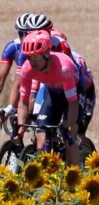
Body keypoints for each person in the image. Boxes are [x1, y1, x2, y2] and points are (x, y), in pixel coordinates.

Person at [15, 30, 83, 164]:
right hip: (52, 94)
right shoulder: (27, 68)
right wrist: (20, 127)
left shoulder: (63, 68)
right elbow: (23, 101)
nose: (31, 62)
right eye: (28, 57)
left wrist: (69, 126)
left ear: (46, 54)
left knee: (68, 138)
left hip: (73, 96)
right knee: (40, 140)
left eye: (35, 58)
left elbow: (72, 103)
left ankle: (77, 174)